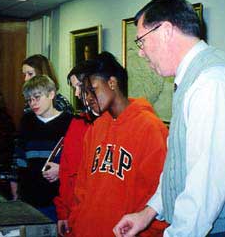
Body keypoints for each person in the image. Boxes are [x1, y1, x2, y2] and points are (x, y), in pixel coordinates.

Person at [113, 0, 225, 237]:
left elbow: (204, 183)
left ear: (165, 31)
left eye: (141, 41)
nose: (141, 53)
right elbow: (180, 165)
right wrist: (148, 213)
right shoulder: (194, 79)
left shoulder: (211, 81)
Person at [68, 52, 168, 237]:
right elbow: (81, 189)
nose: (87, 98)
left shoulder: (151, 128)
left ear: (112, 83)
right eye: (85, 92)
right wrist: (75, 225)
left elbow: (158, 196)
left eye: (93, 90)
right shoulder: (96, 128)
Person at [14, 75, 72, 222]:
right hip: (29, 199)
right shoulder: (26, 121)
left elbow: (80, 162)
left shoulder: (70, 122)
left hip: (58, 201)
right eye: (29, 100)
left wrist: (62, 169)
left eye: (37, 97)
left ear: (51, 94)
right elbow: (19, 160)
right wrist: (17, 192)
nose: (33, 103)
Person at [51, 62, 97, 236]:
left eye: (79, 86)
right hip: (72, 214)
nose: (77, 94)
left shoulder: (110, 125)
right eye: (75, 88)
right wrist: (63, 212)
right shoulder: (77, 123)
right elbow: (67, 171)